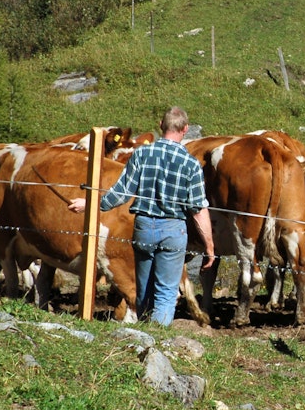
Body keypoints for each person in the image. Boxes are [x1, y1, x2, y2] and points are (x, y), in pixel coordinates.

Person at [69, 106, 215, 326]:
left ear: (160, 126)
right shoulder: (191, 164)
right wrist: (209, 247)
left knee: (144, 288)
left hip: (144, 226)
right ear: (185, 129)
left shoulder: (141, 154)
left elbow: (120, 193)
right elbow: (198, 209)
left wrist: (90, 203)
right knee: (166, 292)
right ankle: (158, 336)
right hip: (174, 229)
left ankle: (144, 333)